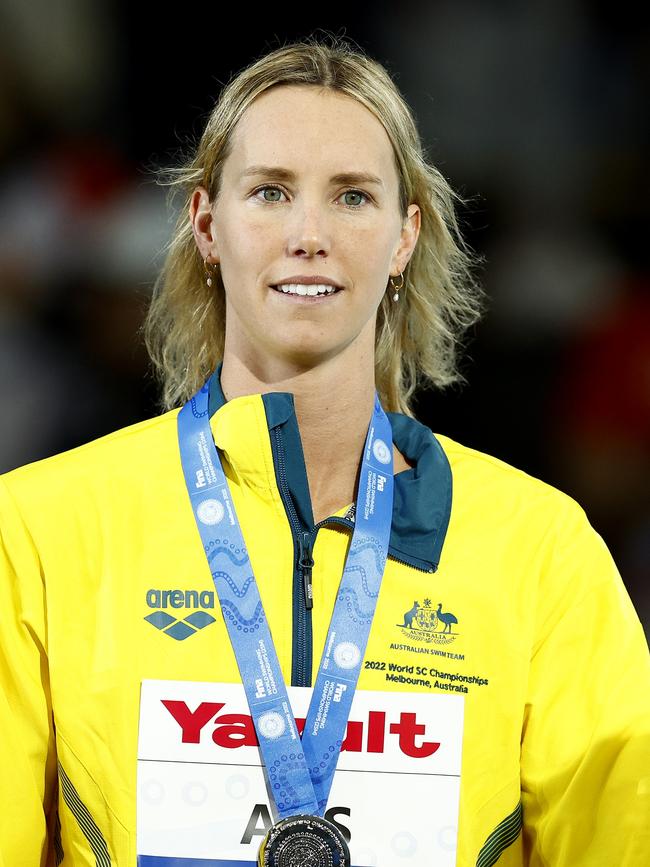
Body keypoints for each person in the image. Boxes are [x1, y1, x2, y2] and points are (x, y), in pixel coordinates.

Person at [1, 35, 649, 867]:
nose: (309, 233)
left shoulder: (541, 552)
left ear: (404, 237)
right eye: (270, 192)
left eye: (351, 197)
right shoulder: (41, 532)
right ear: (207, 224)